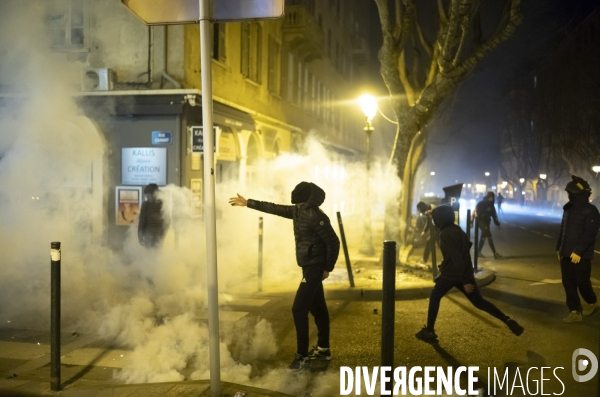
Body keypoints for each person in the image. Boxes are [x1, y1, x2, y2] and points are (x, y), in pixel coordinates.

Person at [229, 182, 340, 371]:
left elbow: (333, 241)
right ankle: (323, 349)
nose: (295, 207)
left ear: (305, 201)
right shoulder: (299, 211)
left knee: (298, 309)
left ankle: (302, 356)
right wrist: (248, 203)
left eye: (298, 204)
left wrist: (327, 267)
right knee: (318, 308)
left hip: (315, 266)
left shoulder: (314, 214)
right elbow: (274, 208)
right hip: (308, 265)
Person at [415, 205, 524, 341]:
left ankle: (429, 331)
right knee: (479, 302)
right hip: (464, 272)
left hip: (451, 274)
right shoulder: (457, 229)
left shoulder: (444, 234)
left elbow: (456, 257)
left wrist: (465, 281)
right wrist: (466, 276)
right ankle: (506, 320)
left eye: (436, 218)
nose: (434, 221)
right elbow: (465, 251)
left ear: (440, 219)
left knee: (435, 296)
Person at [556, 175, 599, 323]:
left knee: (582, 282)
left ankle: (591, 300)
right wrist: (559, 248)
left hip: (581, 256)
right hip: (566, 253)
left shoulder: (591, 210)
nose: (569, 196)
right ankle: (574, 310)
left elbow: (590, 233)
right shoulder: (568, 209)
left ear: (578, 194)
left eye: (571, 193)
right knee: (568, 283)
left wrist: (578, 251)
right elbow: (563, 229)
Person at [472, 192, 502, 259]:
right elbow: (475, 213)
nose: (491, 199)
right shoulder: (481, 204)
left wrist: (497, 223)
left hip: (487, 222)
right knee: (489, 236)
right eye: (490, 197)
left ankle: (478, 252)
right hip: (481, 222)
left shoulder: (492, 206)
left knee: (483, 237)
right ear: (487, 197)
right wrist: (472, 222)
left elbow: (494, 215)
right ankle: (495, 253)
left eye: (492, 197)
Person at [138, 184, 169, 248]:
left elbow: (142, 221)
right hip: (152, 235)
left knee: (152, 254)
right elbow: (142, 221)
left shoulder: (147, 205)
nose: (147, 198)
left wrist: (140, 235)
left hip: (153, 235)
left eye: (148, 196)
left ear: (153, 194)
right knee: (155, 254)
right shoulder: (162, 204)